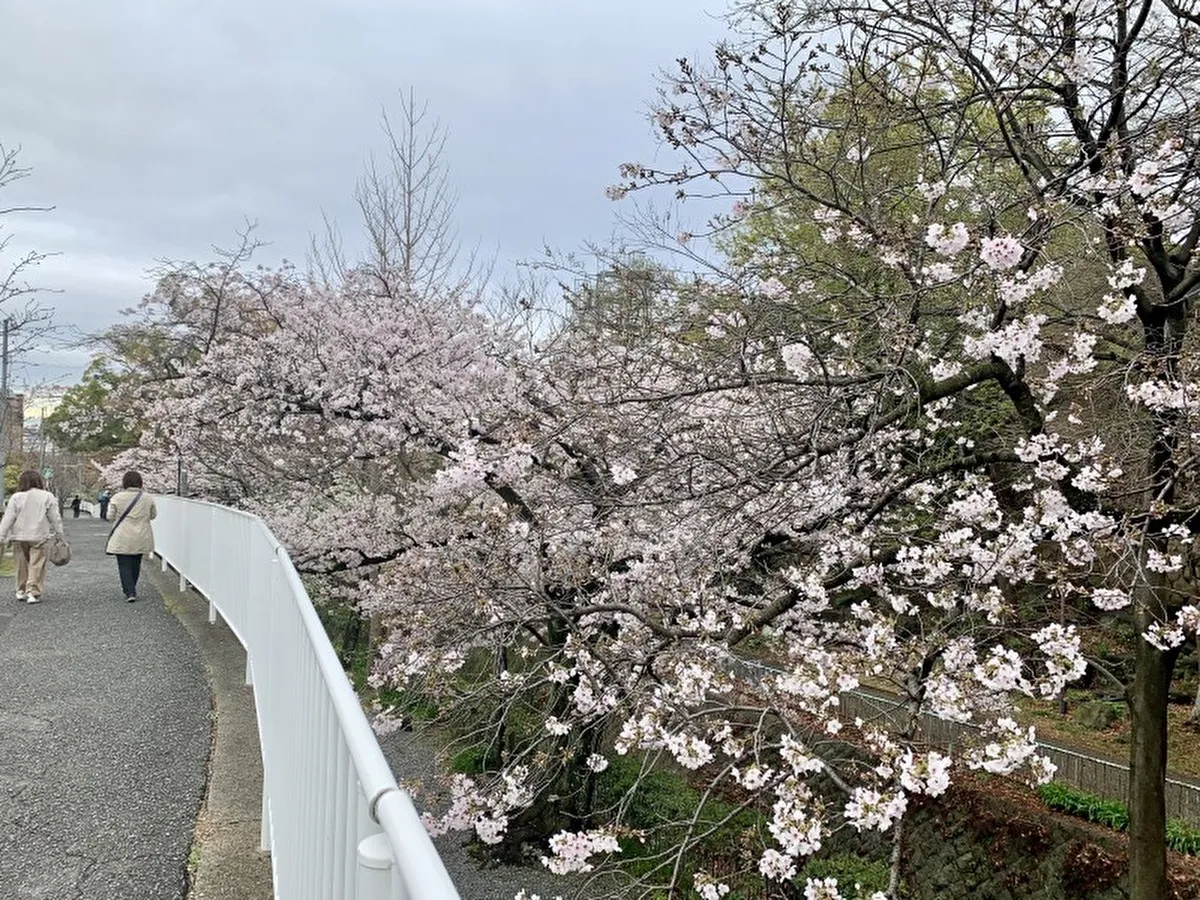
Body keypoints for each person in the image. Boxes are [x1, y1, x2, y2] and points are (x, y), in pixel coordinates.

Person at [0, 469, 66, 603]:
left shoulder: (16, 497)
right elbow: (55, 518)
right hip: (39, 535)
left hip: (18, 536)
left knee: (21, 563)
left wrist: (2, 535)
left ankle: (21, 589)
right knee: (37, 563)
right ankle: (33, 592)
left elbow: (8, 518)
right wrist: (59, 534)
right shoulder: (47, 496)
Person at [105, 470, 157, 602]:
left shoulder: (117, 497)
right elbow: (153, 515)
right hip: (141, 535)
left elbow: (109, 517)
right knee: (136, 562)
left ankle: (130, 591)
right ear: (140, 482)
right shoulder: (148, 498)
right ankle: (132, 587)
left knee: (124, 564)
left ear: (125, 483)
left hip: (123, 535)